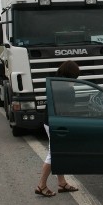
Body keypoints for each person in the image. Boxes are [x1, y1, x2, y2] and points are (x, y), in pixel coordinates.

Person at [35, 60, 80, 197]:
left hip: (50, 121)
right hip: (56, 123)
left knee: (58, 152)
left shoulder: (55, 82)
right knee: (53, 154)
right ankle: (41, 185)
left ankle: (62, 182)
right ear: (72, 74)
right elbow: (68, 109)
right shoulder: (66, 87)